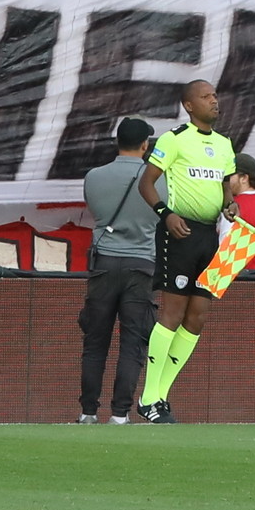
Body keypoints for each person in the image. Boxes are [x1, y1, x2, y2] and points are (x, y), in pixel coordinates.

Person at [135, 78, 250, 425]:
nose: (214, 101)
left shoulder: (225, 144)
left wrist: (230, 206)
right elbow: (146, 183)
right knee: (172, 312)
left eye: (215, 94)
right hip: (179, 231)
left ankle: (162, 397)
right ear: (189, 105)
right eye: (206, 96)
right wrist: (165, 214)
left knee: (197, 316)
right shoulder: (173, 139)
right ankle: (147, 398)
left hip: (208, 235)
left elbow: (226, 189)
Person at [76, 114, 162, 424]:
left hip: (103, 263)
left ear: (117, 142)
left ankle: (87, 412)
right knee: (132, 342)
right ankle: (120, 413)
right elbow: (162, 216)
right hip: (141, 264)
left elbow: (95, 210)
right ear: (145, 145)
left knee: (95, 341)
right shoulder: (159, 180)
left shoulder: (94, 176)